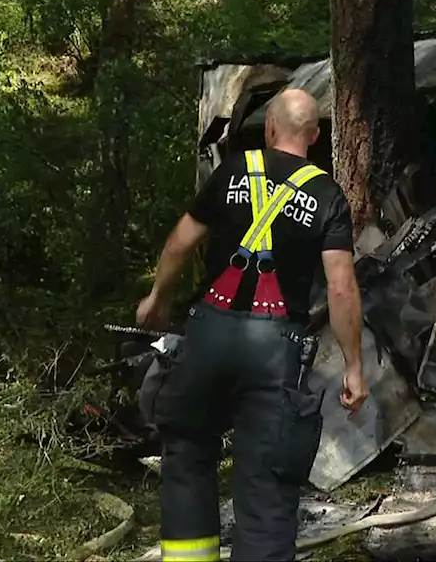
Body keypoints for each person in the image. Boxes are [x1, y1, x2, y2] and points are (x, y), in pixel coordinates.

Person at [135, 88, 368, 562]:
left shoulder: (232, 171)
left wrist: (157, 299)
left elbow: (179, 243)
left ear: (268, 128)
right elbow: (341, 286)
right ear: (315, 135)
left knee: (187, 455)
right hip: (273, 351)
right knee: (265, 485)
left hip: (208, 335)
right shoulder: (327, 195)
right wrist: (354, 365)